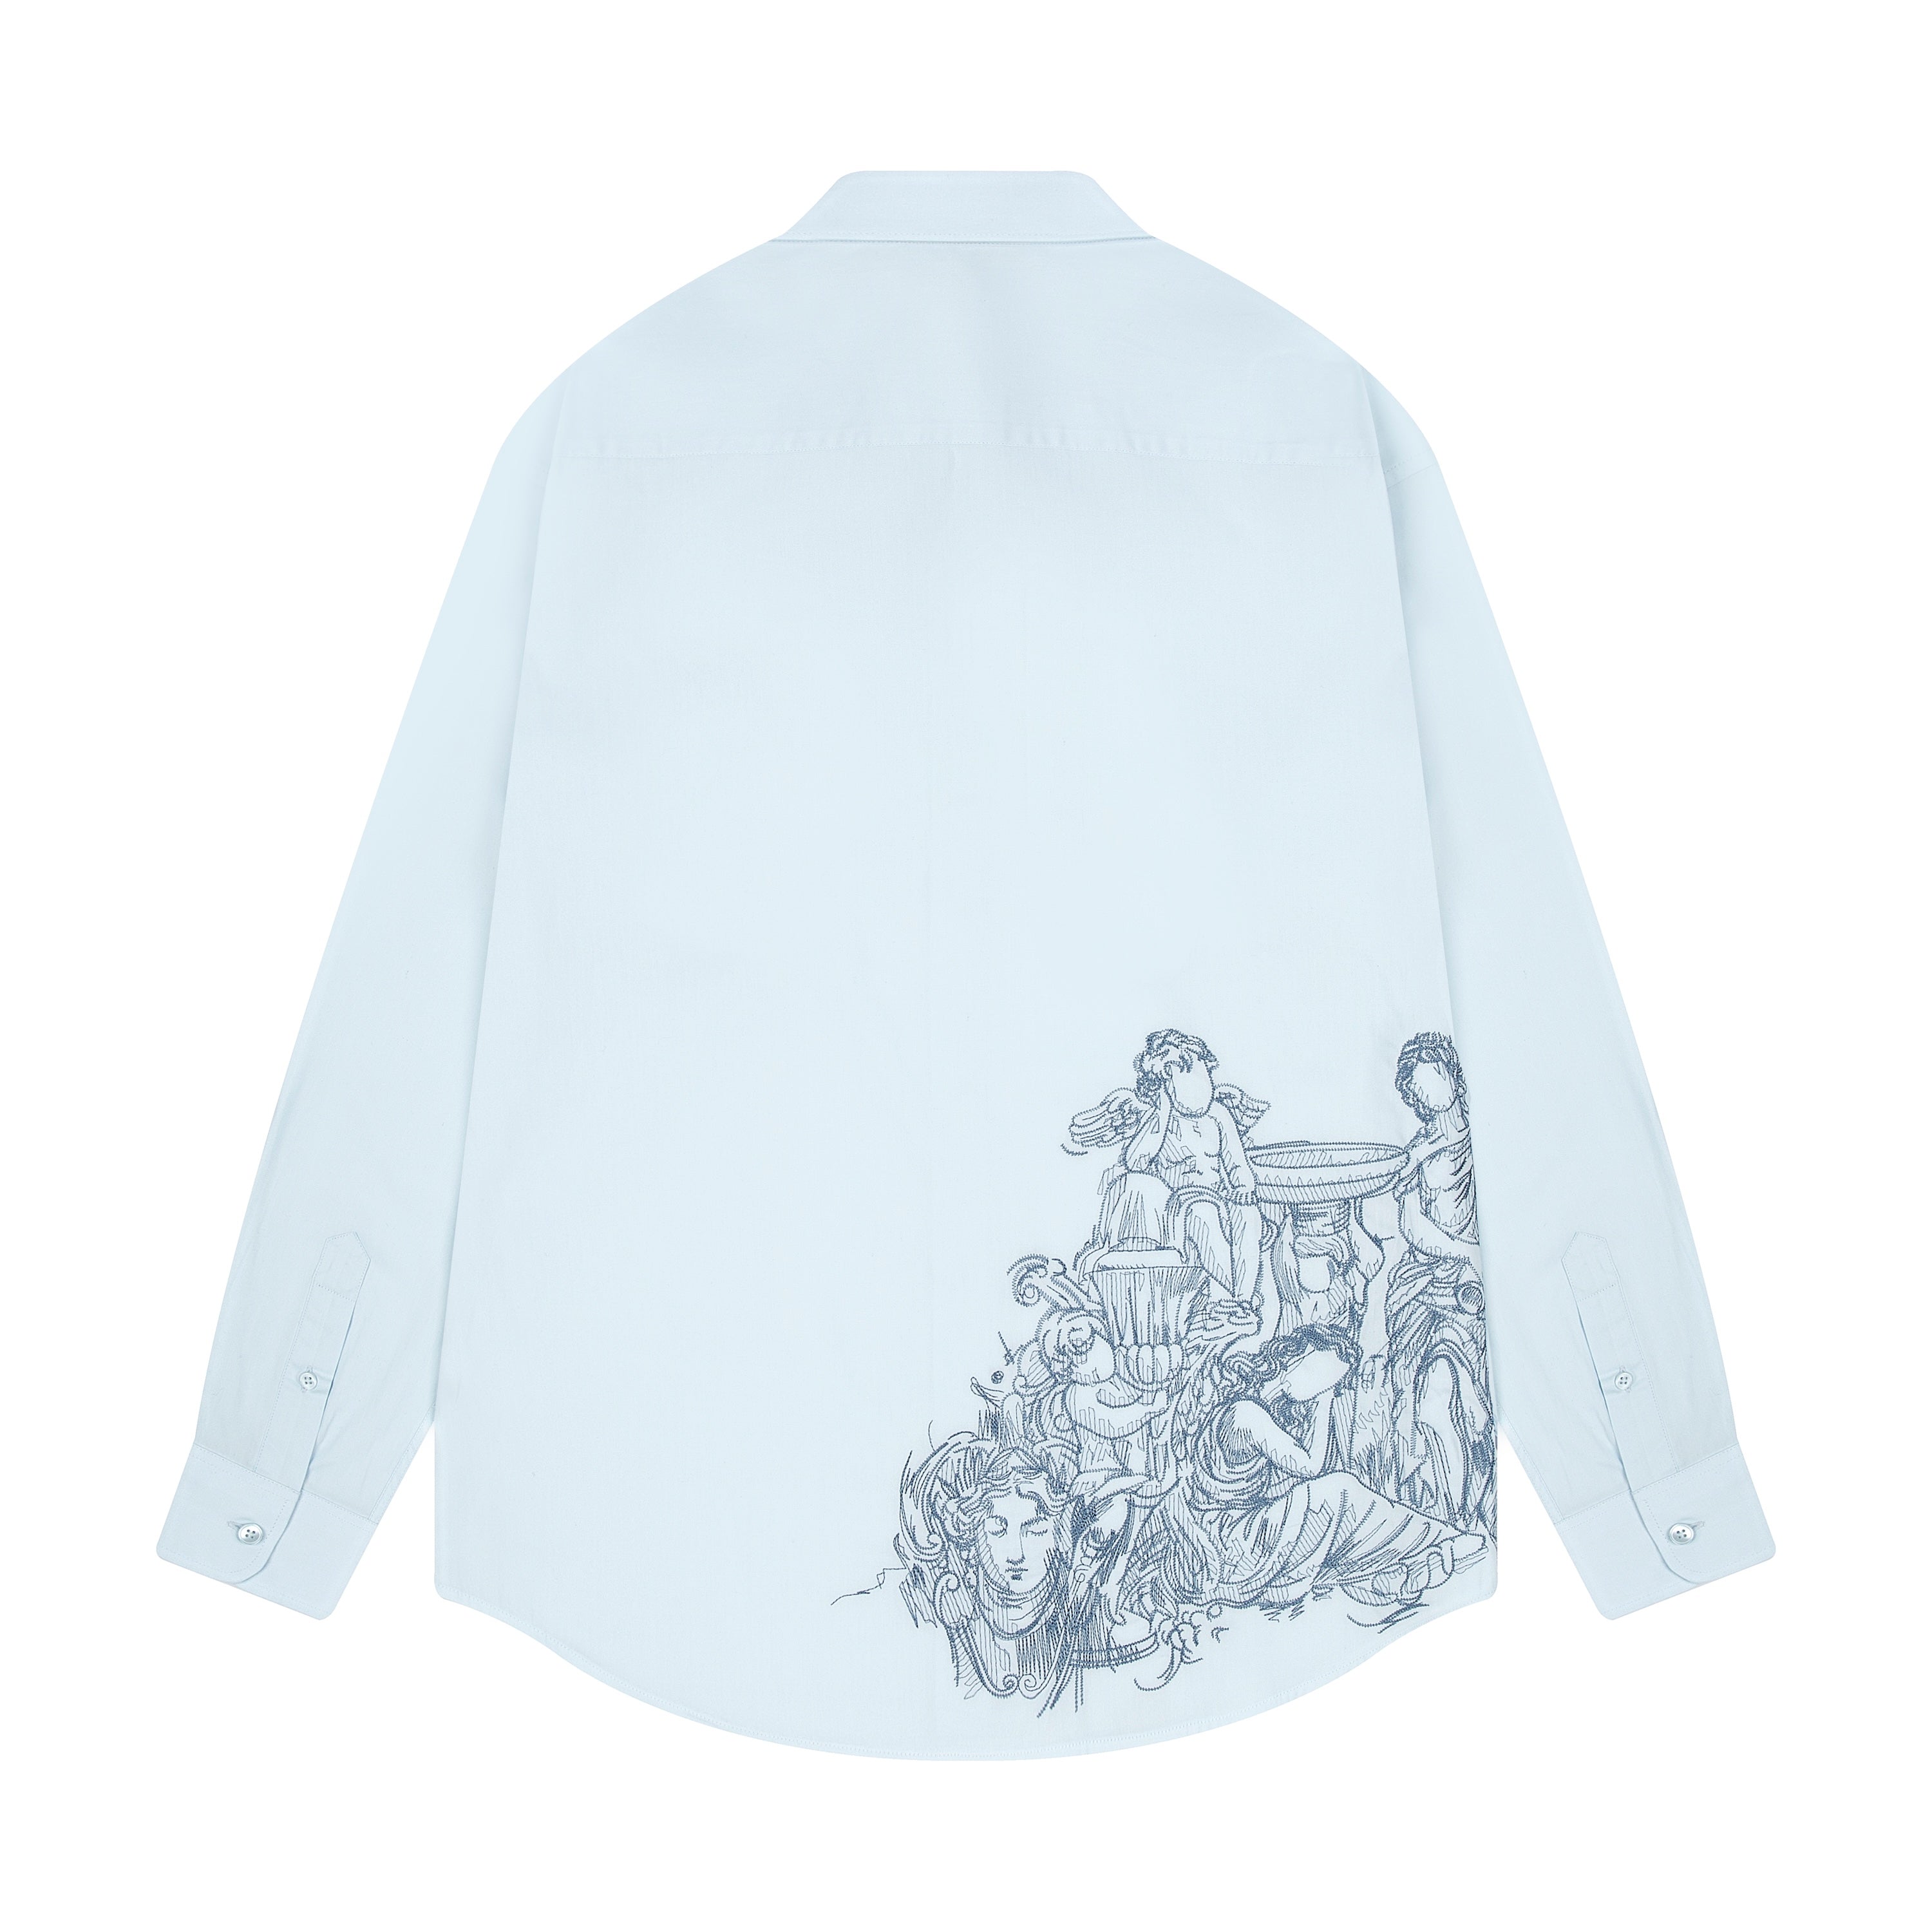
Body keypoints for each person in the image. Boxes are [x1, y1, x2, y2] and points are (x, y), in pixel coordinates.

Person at [1172, 1326, 1486, 1614]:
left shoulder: (1264, 1410)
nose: (1323, 1388)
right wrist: (1324, 1401)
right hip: (1229, 1545)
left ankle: (1392, 1574)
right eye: (1322, 1376)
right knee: (1339, 1492)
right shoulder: (1245, 1415)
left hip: (1242, 1537)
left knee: (1330, 1515)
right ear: (1293, 1357)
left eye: (1333, 1385)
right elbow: (1311, 1466)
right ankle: (1438, 1541)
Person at [1069, 1031, 1279, 1334]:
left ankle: (1242, 1301)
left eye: (1197, 1068)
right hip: (1180, 1206)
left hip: (1220, 1197)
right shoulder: (1160, 1119)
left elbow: (1237, 1165)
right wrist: (1164, 1112)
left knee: (1249, 1217)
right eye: (1180, 1071)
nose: (1200, 1077)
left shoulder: (1219, 1115)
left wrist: (1245, 1189)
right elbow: (1135, 1162)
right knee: (1204, 1215)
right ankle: (1228, 1300)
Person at [1377, 1032, 1495, 1531]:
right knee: (1427, 1407)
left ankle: (1466, 1512)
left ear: (1451, 1075)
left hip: (1473, 1291)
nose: (1425, 1093)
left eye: (1432, 1077)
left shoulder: (1489, 1131)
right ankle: (1454, 1517)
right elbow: (1412, 1225)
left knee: (1456, 1400)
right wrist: (1467, 1253)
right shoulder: (1419, 1150)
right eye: (1416, 1087)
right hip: (1425, 1288)